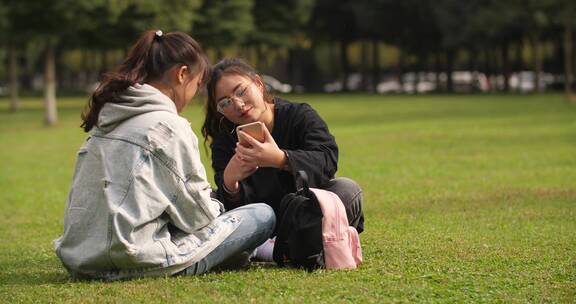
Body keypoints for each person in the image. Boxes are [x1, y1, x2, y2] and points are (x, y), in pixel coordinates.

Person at [54, 31, 275, 281]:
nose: (193, 96)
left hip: (82, 261)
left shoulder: (106, 121)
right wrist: (219, 204)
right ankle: (252, 251)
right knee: (262, 214)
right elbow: (199, 217)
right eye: (196, 84)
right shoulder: (169, 126)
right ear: (181, 74)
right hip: (136, 261)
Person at [201, 58, 364, 239]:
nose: (238, 105)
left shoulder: (299, 115)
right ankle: (297, 246)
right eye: (225, 103)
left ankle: (276, 247)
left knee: (346, 189)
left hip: (303, 213)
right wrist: (230, 182)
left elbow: (327, 159)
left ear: (258, 84)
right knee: (206, 199)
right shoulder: (225, 140)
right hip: (258, 222)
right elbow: (233, 208)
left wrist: (280, 158)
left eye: (241, 91)